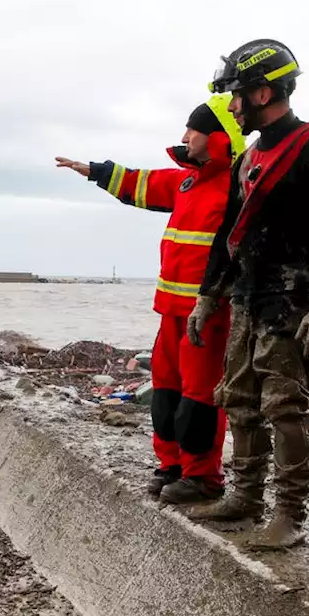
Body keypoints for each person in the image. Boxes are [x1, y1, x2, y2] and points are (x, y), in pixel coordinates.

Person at [186, 39, 309, 549]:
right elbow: (228, 233)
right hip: (248, 294)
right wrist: (208, 295)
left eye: (238, 95)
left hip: (294, 298)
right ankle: (246, 496)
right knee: (239, 397)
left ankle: (289, 513)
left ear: (263, 92)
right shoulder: (249, 158)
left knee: (285, 404)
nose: (232, 106)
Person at [56, 95, 246, 504]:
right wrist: (93, 171)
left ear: (213, 137)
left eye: (191, 130)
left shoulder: (236, 186)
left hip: (208, 313)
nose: (184, 137)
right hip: (170, 313)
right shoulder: (186, 182)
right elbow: (138, 183)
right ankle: (172, 465)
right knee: (166, 393)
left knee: (199, 397)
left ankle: (203, 477)